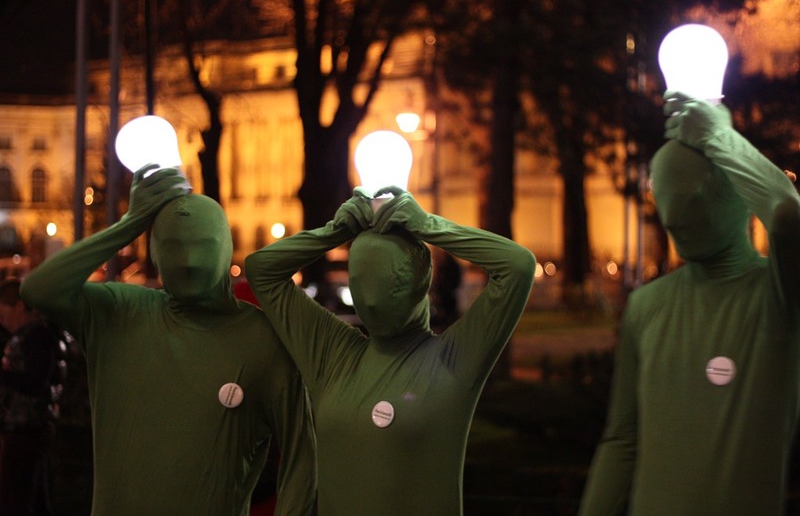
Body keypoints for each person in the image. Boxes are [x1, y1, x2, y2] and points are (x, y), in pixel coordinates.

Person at [20, 165, 316, 516]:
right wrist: (130, 224)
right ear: (156, 253)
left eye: (204, 246)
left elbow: (303, 456)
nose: (189, 261)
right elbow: (39, 289)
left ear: (225, 249)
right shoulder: (119, 312)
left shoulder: (263, 339)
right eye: (173, 247)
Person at [245, 187, 535, 515]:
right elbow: (262, 270)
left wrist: (428, 226)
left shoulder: (453, 360)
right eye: (360, 281)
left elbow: (518, 267)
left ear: (419, 283)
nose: (371, 298)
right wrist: (335, 231)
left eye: (391, 279)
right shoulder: (333, 354)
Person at [579, 91, 800, 515]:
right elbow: (622, 440)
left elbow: (788, 216)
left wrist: (719, 137)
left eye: (694, 198)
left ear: (736, 195)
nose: (673, 218)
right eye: (663, 199)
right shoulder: (646, 305)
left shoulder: (779, 296)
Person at [0, 278, 65, 515]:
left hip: (26, 427)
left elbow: (35, 382)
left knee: (16, 498)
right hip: (27, 426)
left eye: (3, 313)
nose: (2, 320)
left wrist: (4, 375)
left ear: (19, 306)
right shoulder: (33, 334)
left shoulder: (37, 335)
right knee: (32, 495)